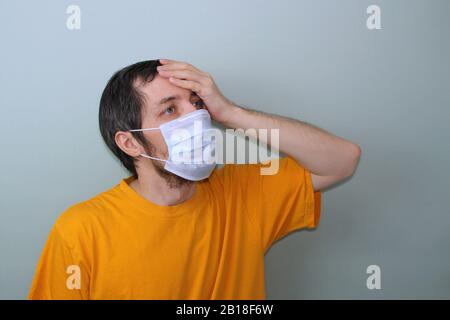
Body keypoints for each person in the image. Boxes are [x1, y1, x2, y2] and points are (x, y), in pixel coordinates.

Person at [28, 59, 361, 299]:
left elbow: (342, 160)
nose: (197, 118)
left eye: (197, 104)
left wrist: (230, 112)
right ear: (130, 143)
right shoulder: (80, 230)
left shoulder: (241, 192)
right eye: (170, 110)